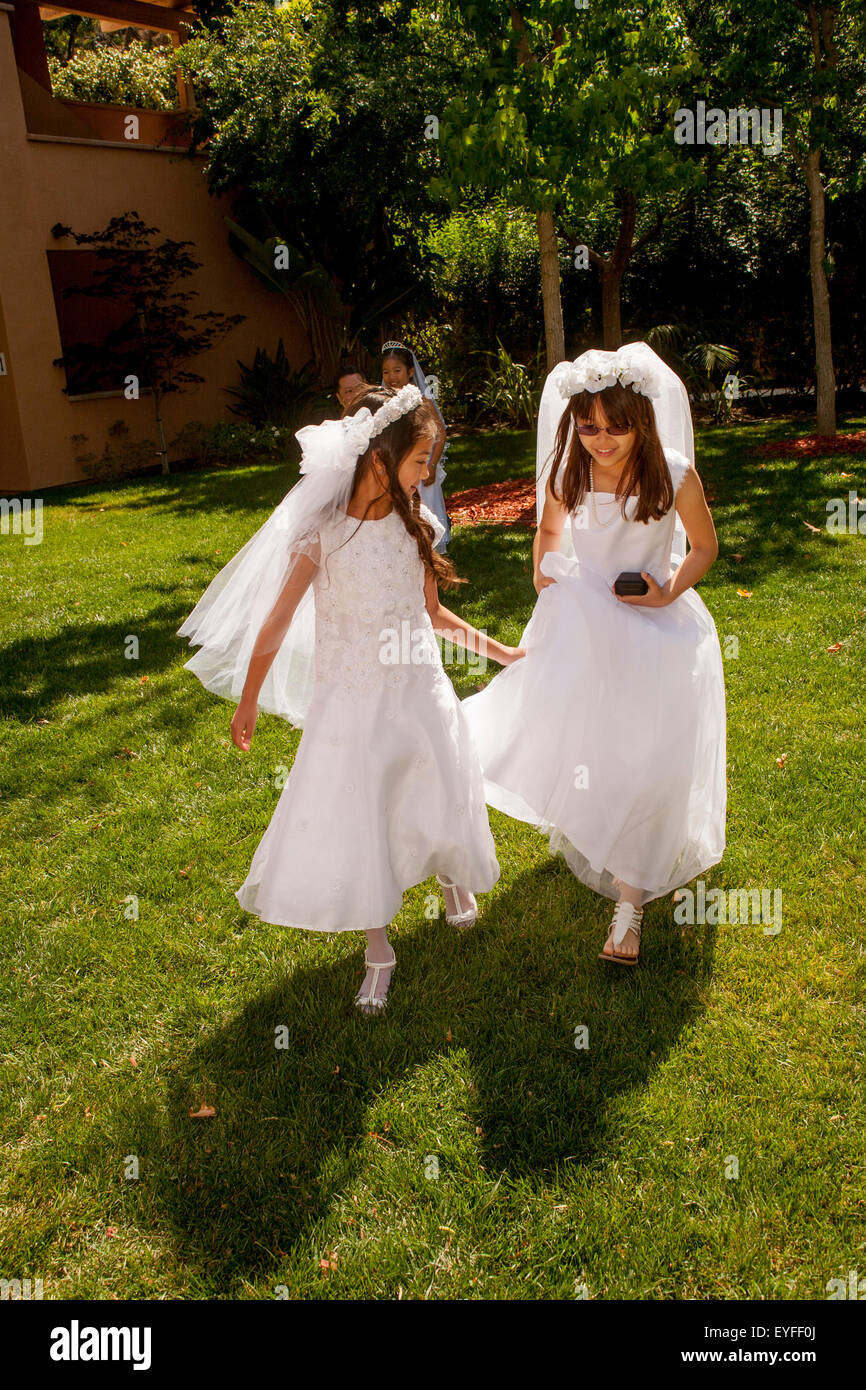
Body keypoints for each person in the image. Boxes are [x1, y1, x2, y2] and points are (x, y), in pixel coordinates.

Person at [177, 384, 524, 1012]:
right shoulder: (325, 534)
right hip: (353, 702)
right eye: (422, 460)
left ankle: (449, 876)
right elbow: (278, 621)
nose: (430, 474)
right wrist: (248, 697)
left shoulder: (415, 525)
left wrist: (502, 653)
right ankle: (378, 948)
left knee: (436, 785)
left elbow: (434, 614)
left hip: (418, 687)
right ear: (378, 459)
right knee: (363, 814)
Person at [461, 343, 726, 966]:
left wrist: (668, 594)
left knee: (650, 754)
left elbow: (705, 547)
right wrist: (543, 575)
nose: (600, 440)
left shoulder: (675, 470)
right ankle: (596, 819)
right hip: (582, 623)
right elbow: (549, 531)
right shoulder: (566, 470)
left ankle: (628, 909)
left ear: (642, 417)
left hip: (653, 629)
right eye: (587, 426)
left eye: (616, 426)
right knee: (584, 743)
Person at [382, 341, 451, 550]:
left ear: (410, 372)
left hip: (420, 468)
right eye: (386, 372)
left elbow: (440, 435)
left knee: (423, 513)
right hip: (395, 467)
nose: (392, 377)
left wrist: (430, 466)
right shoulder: (383, 402)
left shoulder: (423, 401)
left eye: (397, 370)